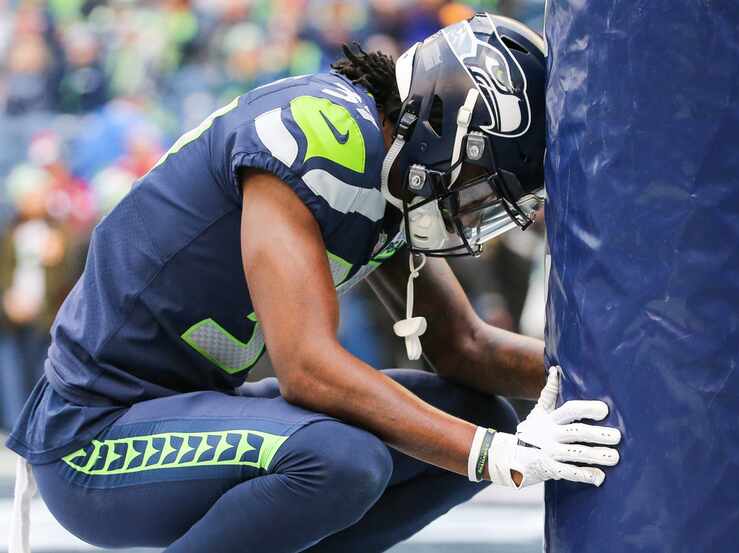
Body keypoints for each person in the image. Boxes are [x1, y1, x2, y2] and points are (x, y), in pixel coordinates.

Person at [7, 13, 620, 553]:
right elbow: (308, 367)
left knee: (469, 412)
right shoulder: (328, 134)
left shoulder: (387, 171)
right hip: (93, 435)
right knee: (341, 460)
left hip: (183, 410)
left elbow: (464, 348)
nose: (477, 202)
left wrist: (613, 386)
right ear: (445, 123)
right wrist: (495, 458)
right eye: (485, 173)